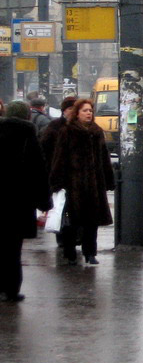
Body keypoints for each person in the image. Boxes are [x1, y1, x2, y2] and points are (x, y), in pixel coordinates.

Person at [49, 98, 115, 266]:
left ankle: (90, 253)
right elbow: (59, 158)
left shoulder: (97, 131)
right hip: (73, 184)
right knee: (72, 221)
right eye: (85, 110)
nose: (88, 113)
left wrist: (108, 180)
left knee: (92, 222)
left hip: (94, 184)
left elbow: (104, 158)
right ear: (77, 113)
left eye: (90, 111)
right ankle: (70, 252)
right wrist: (56, 182)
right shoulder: (67, 131)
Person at [0, 101, 52, 301]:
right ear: (26, 116)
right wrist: (45, 202)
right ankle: (11, 290)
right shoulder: (27, 135)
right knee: (13, 249)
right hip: (18, 202)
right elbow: (38, 171)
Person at [40, 96, 78, 247]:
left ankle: (77, 237)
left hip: (80, 177)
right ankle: (63, 238)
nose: (72, 112)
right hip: (60, 175)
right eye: (70, 109)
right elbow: (44, 149)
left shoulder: (87, 127)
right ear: (64, 111)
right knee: (62, 207)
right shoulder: (54, 127)